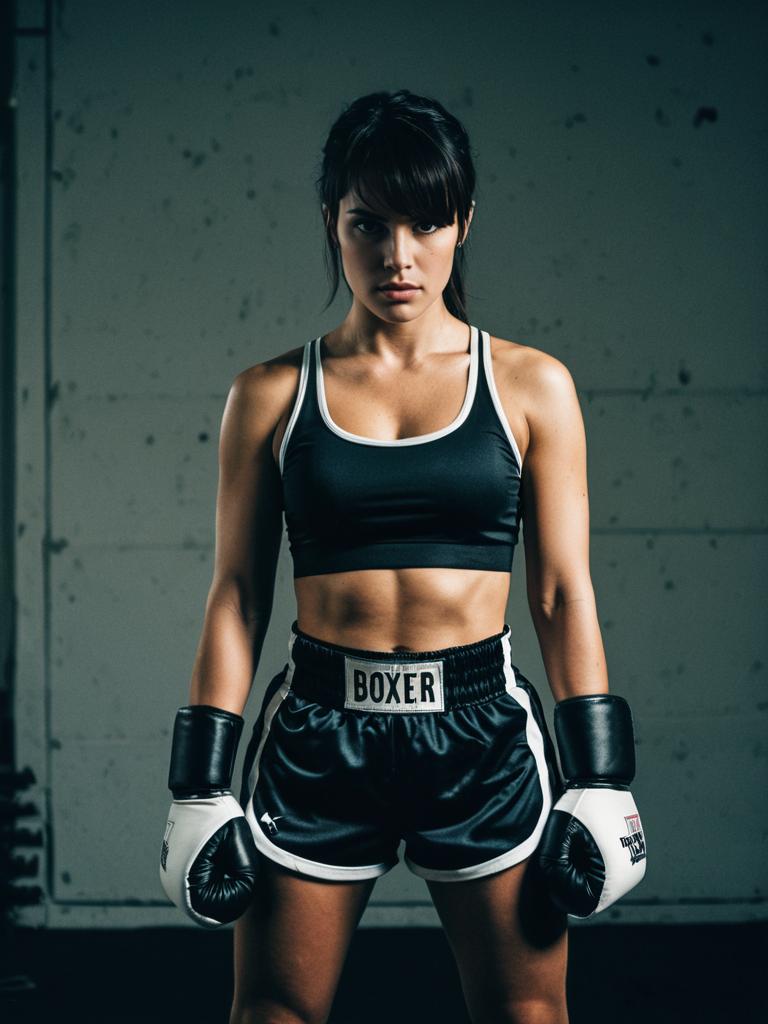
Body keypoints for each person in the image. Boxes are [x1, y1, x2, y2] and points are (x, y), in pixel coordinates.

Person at [159, 89, 646, 1024]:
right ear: (332, 224)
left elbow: (558, 590)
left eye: (425, 223)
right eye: (367, 225)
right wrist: (198, 784)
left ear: (464, 220)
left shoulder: (530, 385)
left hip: (480, 736)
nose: (397, 256)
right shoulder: (268, 394)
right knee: (271, 1013)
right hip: (316, 732)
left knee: (528, 1016)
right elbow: (234, 598)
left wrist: (601, 776)